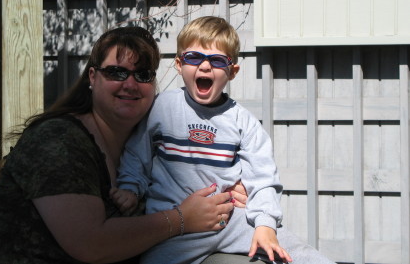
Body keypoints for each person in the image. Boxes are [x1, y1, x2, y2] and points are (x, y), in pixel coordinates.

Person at [0, 26, 237, 264]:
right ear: (92, 77)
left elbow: (199, 172)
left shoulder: (149, 145)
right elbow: (89, 242)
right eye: (116, 72)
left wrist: (236, 186)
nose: (130, 83)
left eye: (142, 75)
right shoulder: (59, 139)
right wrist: (179, 220)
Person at [112, 17, 336, 264]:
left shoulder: (244, 121)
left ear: (232, 71)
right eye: (194, 58)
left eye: (217, 61)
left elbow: (262, 178)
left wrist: (265, 224)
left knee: (302, 255)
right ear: (178, 64)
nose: (205, 67)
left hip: (233, 220)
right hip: (177, 226)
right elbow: (137, 155)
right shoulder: (161, 108)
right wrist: (130, 188)